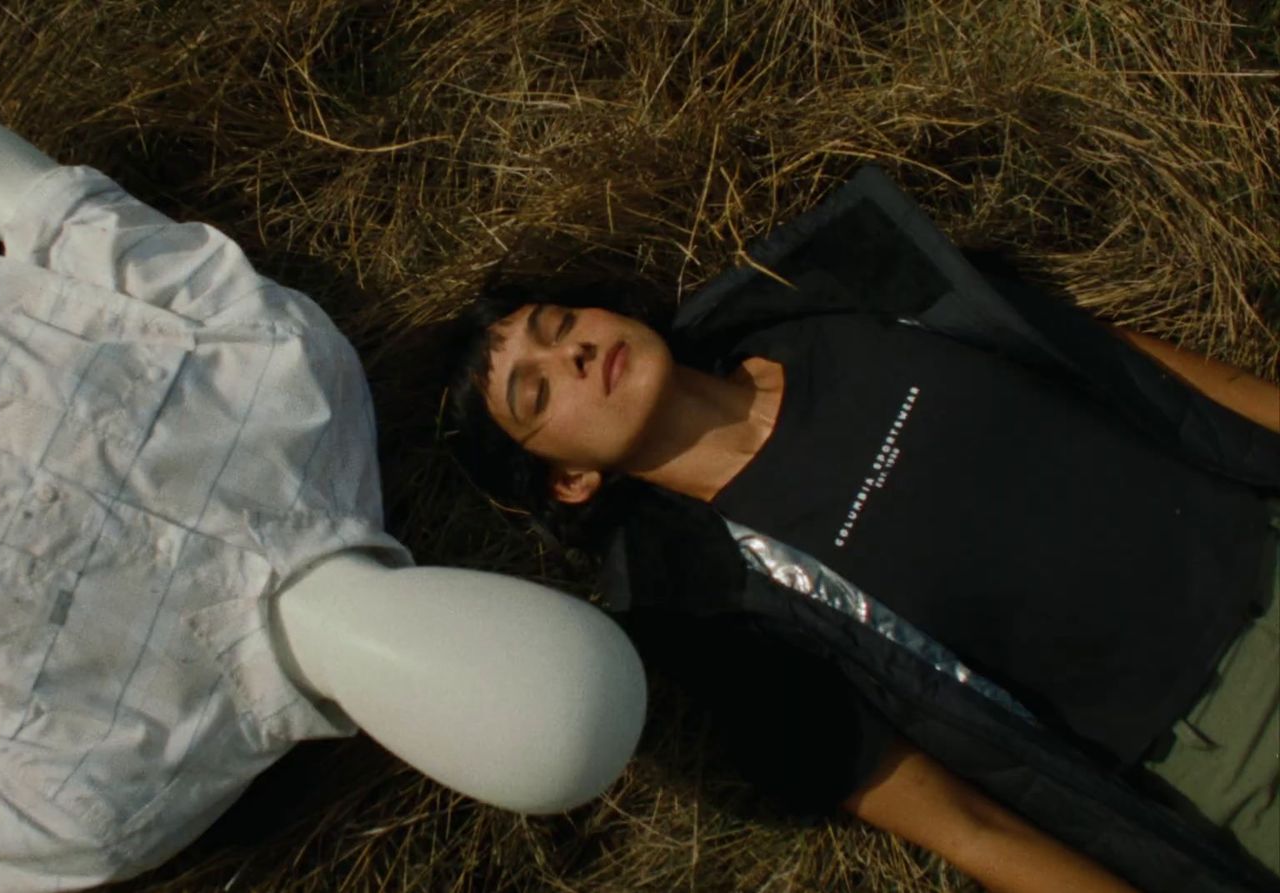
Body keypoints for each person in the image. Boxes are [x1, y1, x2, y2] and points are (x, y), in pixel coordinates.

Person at [0, 1, 647, 890]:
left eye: (484, 706)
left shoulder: (89, 803)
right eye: (517, 635)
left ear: (447, 757)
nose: (462, 651)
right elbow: (24, 198)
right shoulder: (291, 380)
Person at [441, 168, 1280, 893]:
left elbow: (1124, 367)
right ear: (571, 479)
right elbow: (970, 826)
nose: (575, 354)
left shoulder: (828, 297)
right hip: (1236, 745)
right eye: (538, 393)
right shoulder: (712, 610)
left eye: (559, 327)